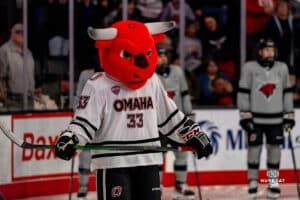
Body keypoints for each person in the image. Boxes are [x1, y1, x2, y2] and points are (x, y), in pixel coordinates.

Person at [54, 20, 212, 200]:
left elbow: (169, 116)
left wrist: (192, 134)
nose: (143, 63)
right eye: (128, 54)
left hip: (148, 160)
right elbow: (84, 123)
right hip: (113, 163)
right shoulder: (98, 85)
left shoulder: (152, 81)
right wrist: (70, 137)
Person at [237, 39, 295, 199]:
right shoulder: (249, 68)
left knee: (274, 151)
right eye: (267, 50)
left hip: (276, 119)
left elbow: (287, 92)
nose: (271, 52)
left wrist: (289, 115)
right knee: (254, 151)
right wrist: (245, 115)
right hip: (255, 119)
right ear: (260, 51)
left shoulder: (282, 67)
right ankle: (253, 182)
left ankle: (273, 181)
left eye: (272, 50)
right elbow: (243, 92)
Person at [156, 47, 195, 199]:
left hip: (177, 122)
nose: (163, 58)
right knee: (158, 156)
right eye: (160, 56)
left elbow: (185, 95)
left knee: (182, 154)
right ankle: (156, 185)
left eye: (165, 55)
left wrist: (190, 119)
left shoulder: (178, 71)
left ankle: (180, 185)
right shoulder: (151, 76)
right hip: (158, 124)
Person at [0, 23, 35, 111]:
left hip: (29, 99)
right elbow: (1, 76)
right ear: (12, 33)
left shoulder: (28, 52)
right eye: (18, 32)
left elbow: (31, 74)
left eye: (23, 32)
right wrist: (4, 97)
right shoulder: (4, 51)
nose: (21, 34)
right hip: (13, 101)